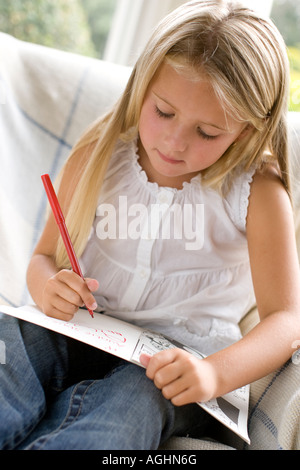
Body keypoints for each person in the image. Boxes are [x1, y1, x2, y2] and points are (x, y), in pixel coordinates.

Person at [1, 0, 300, 450]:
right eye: (163, 112)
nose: (174, 142)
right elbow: (43, 259)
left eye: (207, 133)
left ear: (246, 131)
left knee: (129, 406)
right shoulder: (98, 157)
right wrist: (47, 286)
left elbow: (286, 320)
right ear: (141, 88)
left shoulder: (256, 193)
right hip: (77, 330)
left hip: (172, 366)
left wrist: (212, 374)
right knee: (9, 340)